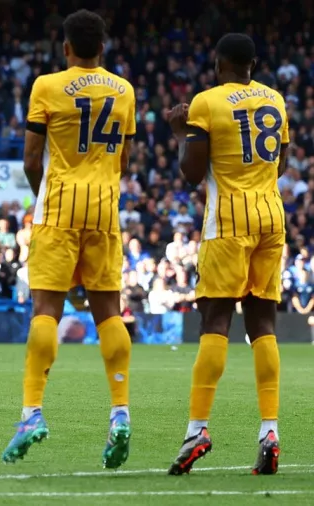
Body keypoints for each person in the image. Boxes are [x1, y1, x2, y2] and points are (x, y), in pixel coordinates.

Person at [1, 9, 136, 469]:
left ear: (65, 47)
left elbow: (31, 158)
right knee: (108, 312)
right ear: (103, 47)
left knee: (45, 311)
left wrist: (46, 198)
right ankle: (120, 413)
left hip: (58, 205)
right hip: (104, 206)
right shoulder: (125, 91)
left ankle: (32, 414)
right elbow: (125, 160)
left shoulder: (47, 86)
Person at [165, 33, 288, 476]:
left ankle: (197, 430)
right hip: (272, 218)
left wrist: (181, 133)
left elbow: (192, 173)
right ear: (253, 63)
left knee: (215, 322)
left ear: (218, 65)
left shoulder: (206, 102)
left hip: (229, 223)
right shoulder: (275, 100)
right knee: (263, 324)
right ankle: (269, 431)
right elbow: (283, 164)